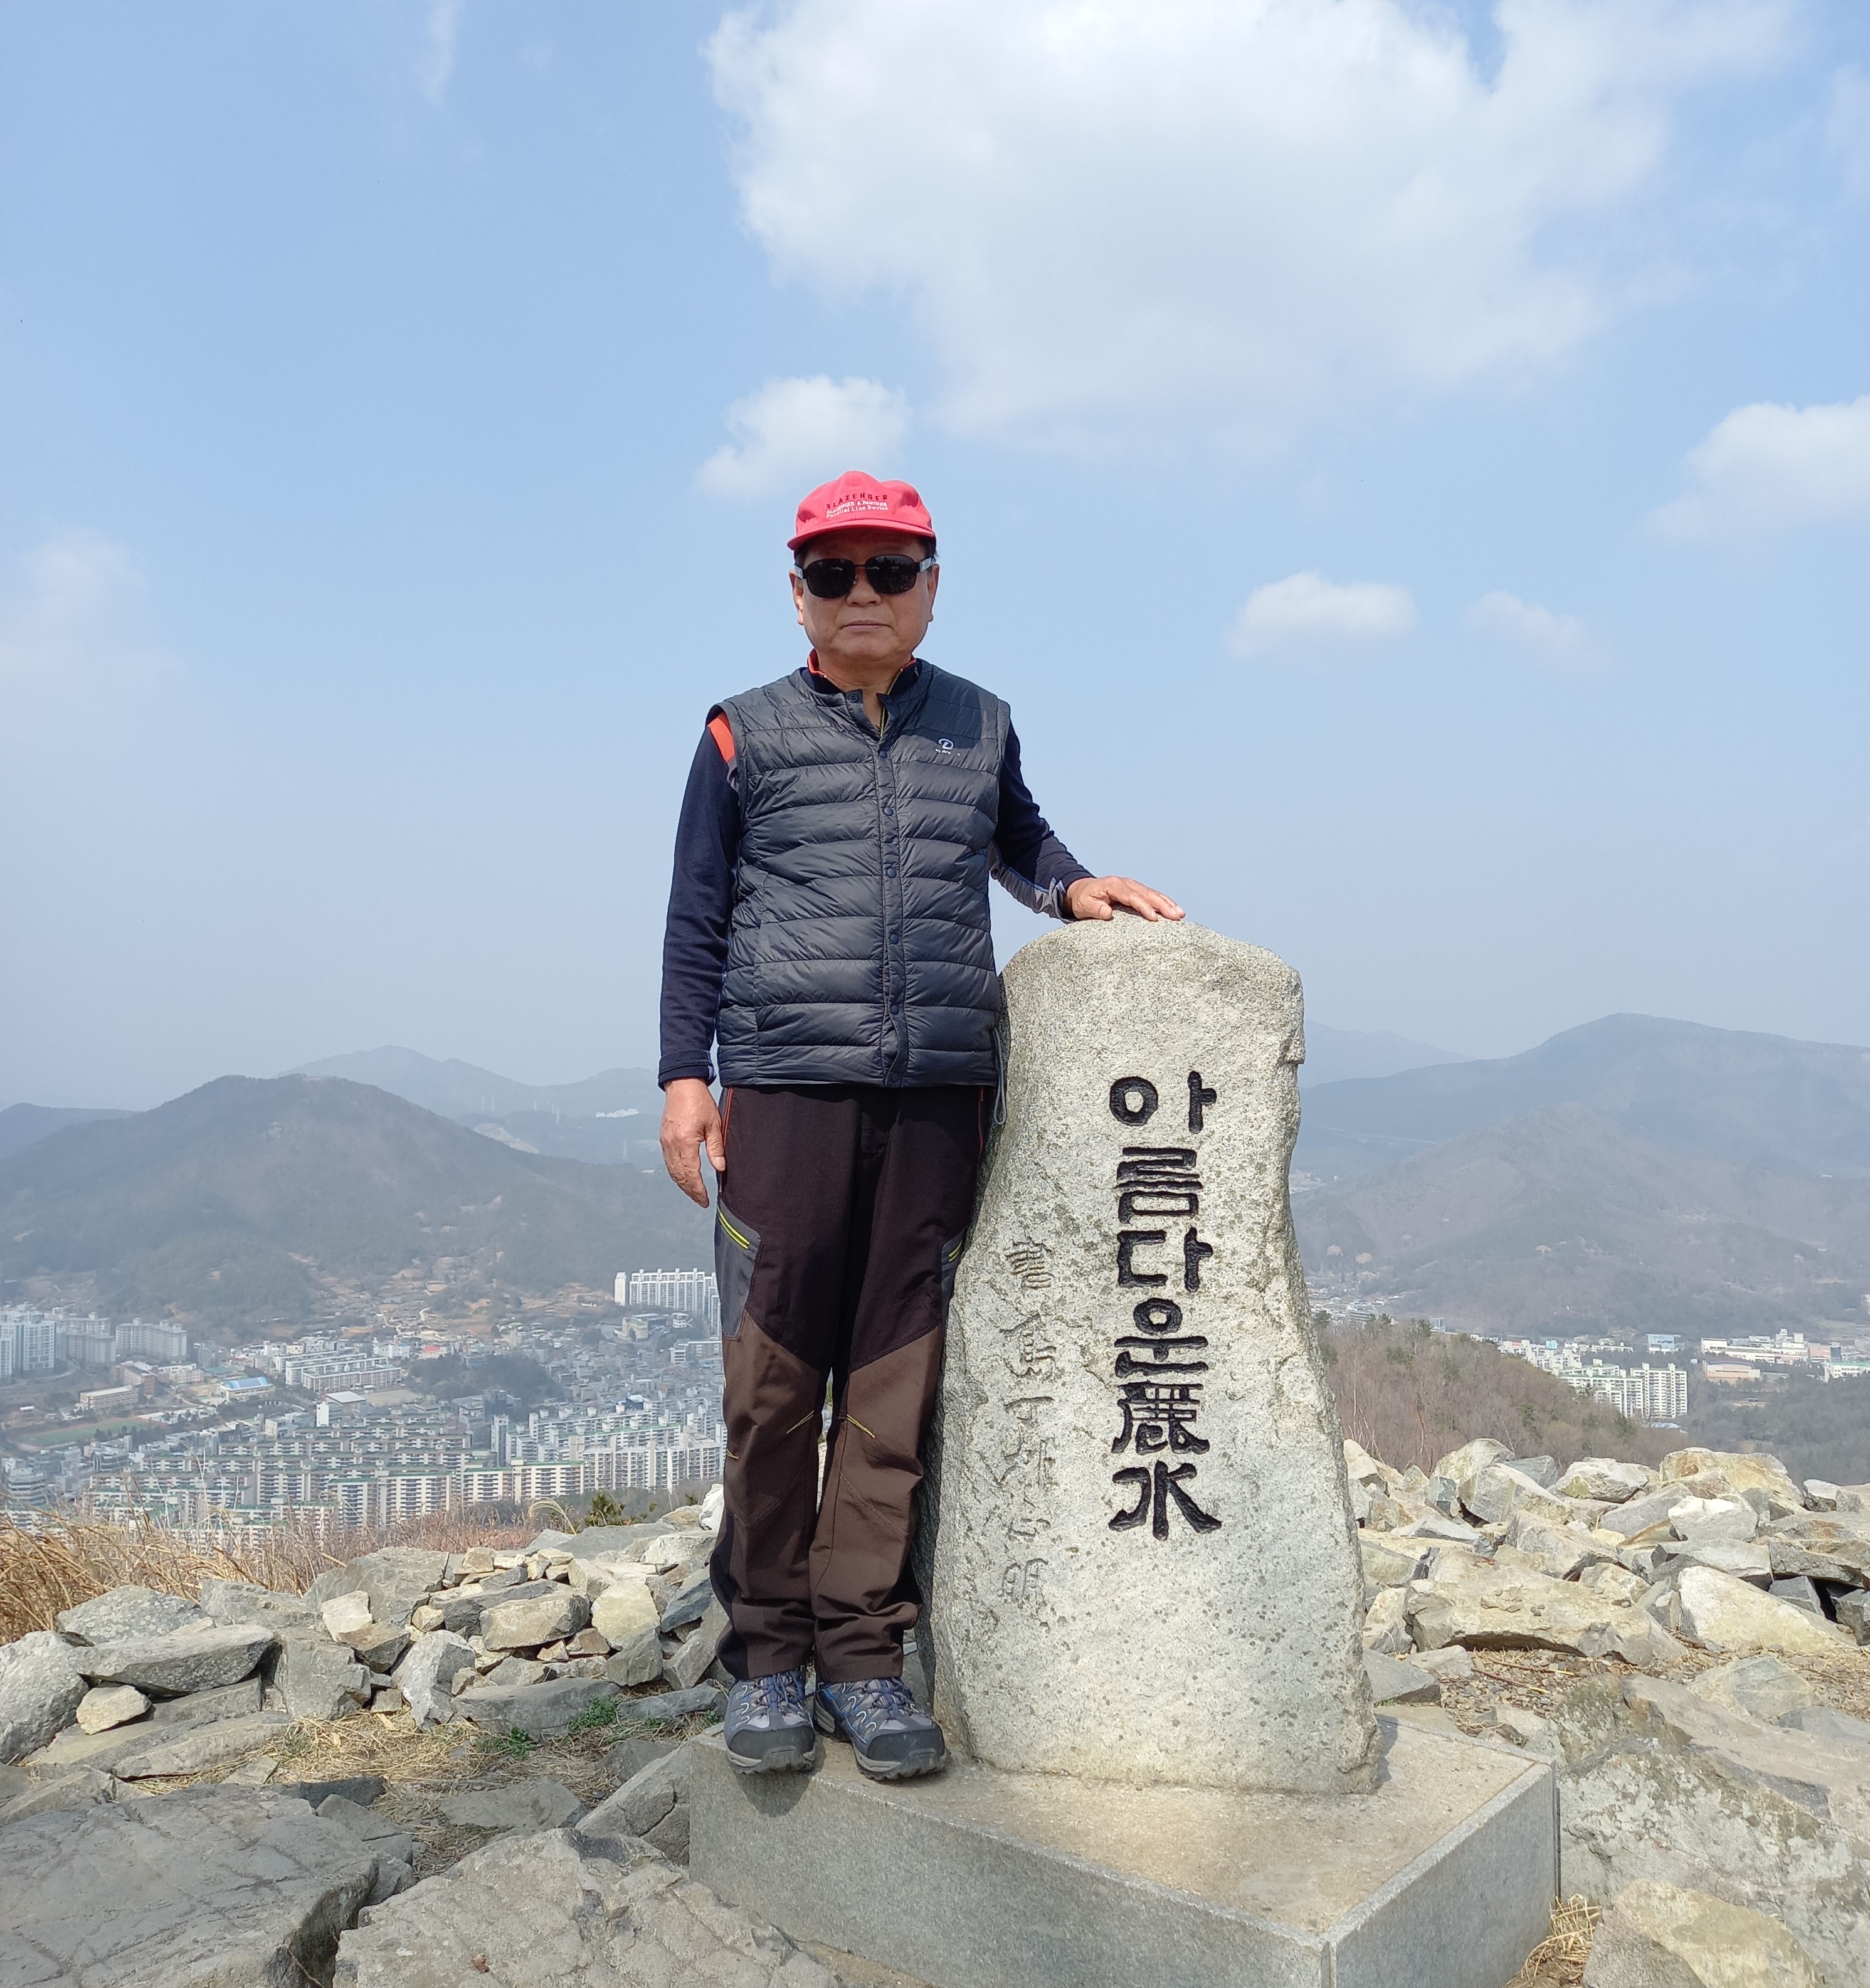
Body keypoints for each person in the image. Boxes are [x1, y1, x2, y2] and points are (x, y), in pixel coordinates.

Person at [657, 470, 1181, 1780]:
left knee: (894, 1385)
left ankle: (862, 1659)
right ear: (796, 596)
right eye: (833, 573)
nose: (863, 593)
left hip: (942, 1090)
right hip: (785, 1089)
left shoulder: (979, 724)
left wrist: (1074, 887)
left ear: (931, 588)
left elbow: (1022, 841)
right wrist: (682, 1076)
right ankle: (767, 1657)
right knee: (773, 1385)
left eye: (889, 570)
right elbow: (696, 912)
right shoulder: (740, 734)